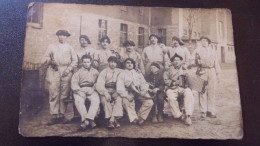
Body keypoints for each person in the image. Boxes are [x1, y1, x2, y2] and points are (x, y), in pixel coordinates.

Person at [43, 30, 78, 125]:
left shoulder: (70, 48)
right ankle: (54, 115)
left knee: (64, 94)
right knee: (54, 92)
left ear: (67, 37)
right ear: (57, 36)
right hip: (54, 70)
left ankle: (62, 115)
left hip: (66, 71)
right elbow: (45, 57)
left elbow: (75, 61)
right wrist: (50, 61)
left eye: (64, 35)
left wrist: (68, 70)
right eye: (60, 35)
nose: (61, 37)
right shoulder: (51, 46)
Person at [191, 36, 221, 119]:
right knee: (201, 91)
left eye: (205, 41)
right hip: (201, 71)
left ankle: (210, 110)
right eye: (202, 41)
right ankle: (203, 111)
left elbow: (216, 63)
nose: (203, 42)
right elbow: (192, 60)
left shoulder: (213, 51)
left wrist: (218, 74)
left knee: (212, 91)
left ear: (208, 42)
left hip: (211, 71)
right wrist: (196, 61)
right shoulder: (197, 50)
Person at [117, 58, 154, 125]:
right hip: (128, 92)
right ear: (125, 64)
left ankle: (140, 117)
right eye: (128, 63)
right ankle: (134, 118)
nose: (129, 64)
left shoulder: (137, 73)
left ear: (134, 65)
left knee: (149, 102)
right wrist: (126, 95)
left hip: (139, 91)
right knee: (126, 102)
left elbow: (143, 83)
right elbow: (119, 87)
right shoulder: (122, 74)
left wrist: (144, 91)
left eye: (131, 63)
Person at [163, 53, 195, 126]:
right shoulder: (168, 70)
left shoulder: (184, 69)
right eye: (174, 60)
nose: (176, 61)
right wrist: (173, 82)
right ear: (172, 62)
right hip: (172, 88)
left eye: (178, 60)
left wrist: (188, 80)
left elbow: (191, 80)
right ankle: (179, 115)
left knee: (189, 93)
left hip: (183, 88)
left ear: (181, 61)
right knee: (171, 97)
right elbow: (165, 80)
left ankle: (188, 115)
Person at [71, 55, 100, 130]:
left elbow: (98, 82)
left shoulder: (95, 71)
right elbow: (74, 83)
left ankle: (87, 121)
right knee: (79, 101)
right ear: (82, 63)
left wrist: (93, 88)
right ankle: (88, 120)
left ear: (91, 62)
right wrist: (79, 91)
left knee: (96, 100)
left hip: (91, 89)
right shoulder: (78, 72)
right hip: (80, 89)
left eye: (88, 62)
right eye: (84, 62)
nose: (86, 64)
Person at [96, 56, 123, 129]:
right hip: (106, 89)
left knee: (119, 98)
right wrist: (105, 93)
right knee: (105, 100)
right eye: (111, 62)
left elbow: (128, 74)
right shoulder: (104, 72)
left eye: (115, 62)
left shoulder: (120, 71)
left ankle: (112, 120)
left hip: (116, 90)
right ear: (108, 62)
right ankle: (113, 120)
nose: (113, 64)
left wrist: (136, 70)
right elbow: (99, 84)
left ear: (117, 64)